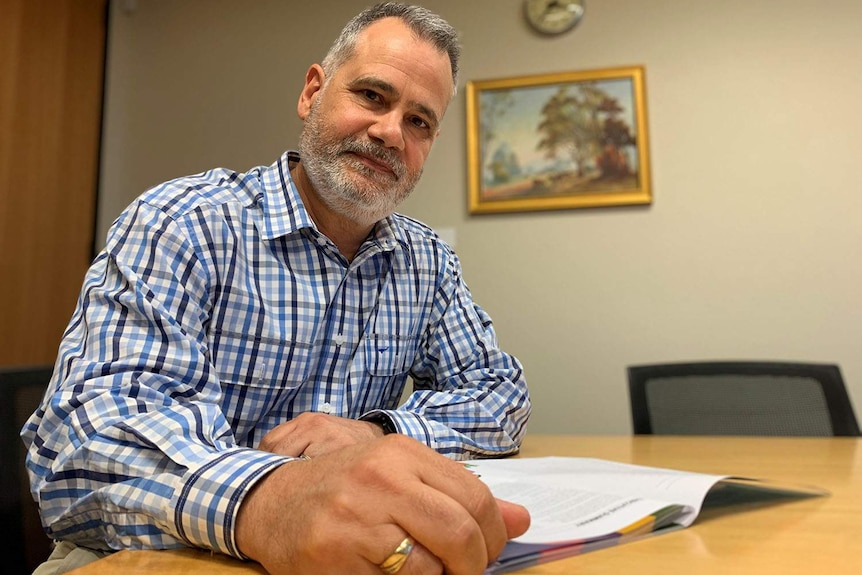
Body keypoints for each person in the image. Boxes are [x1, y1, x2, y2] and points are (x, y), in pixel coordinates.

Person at [22, 3, 531, 575]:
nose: (390, 132)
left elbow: (498, 396)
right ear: (313, 92)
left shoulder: (427, 261)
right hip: (156, 553)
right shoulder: (184, 222)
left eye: (420, 122)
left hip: (357, 554)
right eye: (372, 96)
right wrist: (275, 504)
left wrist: (376, 431)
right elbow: (91, 440)